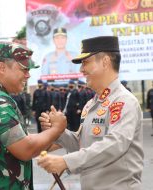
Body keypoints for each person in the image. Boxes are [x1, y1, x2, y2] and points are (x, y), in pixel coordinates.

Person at [37, 36, 144, 190]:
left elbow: (115, 145)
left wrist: (66, 162)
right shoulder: (91, 104)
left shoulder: (124, 101)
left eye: (86, 62)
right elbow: (82, 145)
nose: (81, 69)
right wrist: (59, 131)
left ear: (105, 62)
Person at [0, 41, 67, 190]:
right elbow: (26, 149)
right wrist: (56, 129)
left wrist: (64, 138)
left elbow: (21, 140)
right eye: (24, 69)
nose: (28, 75)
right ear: (2, 67)